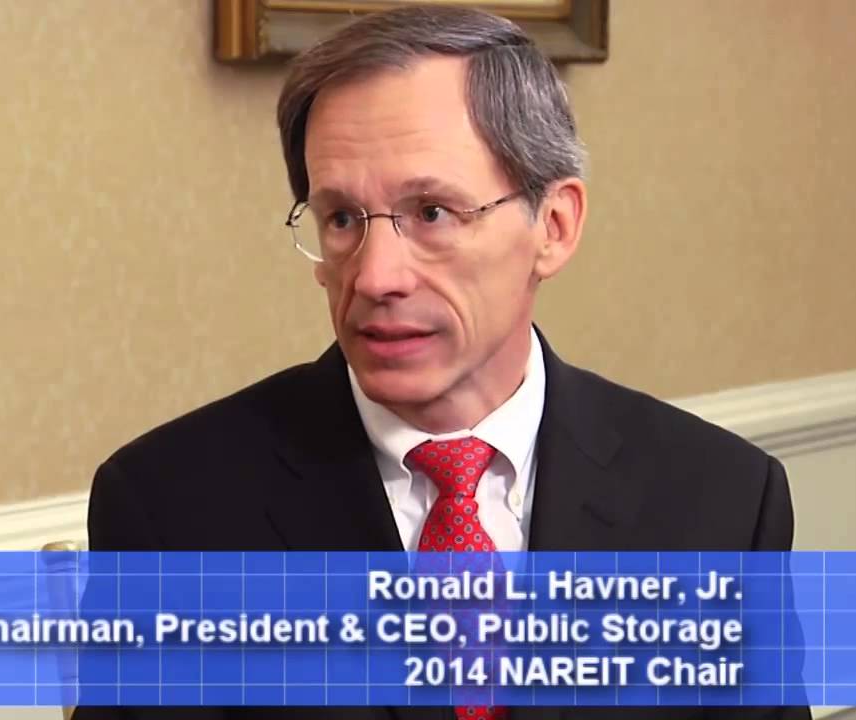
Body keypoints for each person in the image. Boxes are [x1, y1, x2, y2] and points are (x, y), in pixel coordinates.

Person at [78, 6, 806, 720]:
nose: (374, 277)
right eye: (342, 219)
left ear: (554, 226)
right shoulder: (169, 511)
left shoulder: (723, 503)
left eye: (431, 213)